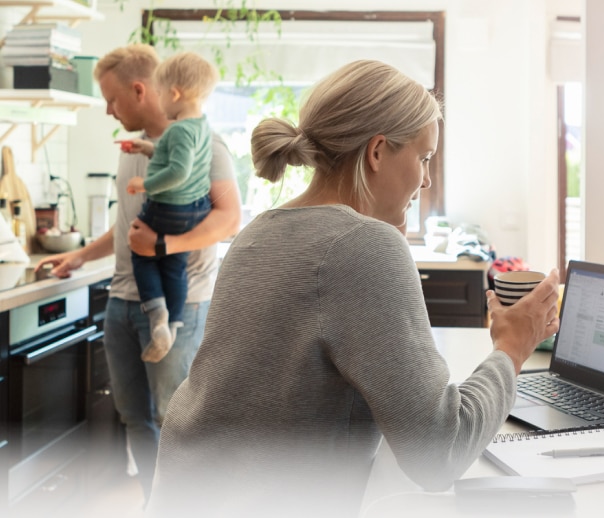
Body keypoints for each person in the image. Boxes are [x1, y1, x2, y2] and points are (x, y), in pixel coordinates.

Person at [147, 59, 560, 518]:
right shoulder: (362, 245)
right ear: (378, 152)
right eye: (423, 158)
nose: (425, 179)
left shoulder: (257, 232)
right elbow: (438, 451)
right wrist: (513, 347)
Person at [35, 43, 241, 504]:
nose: (108, 110)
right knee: (134, 418)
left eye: (111, 99)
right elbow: (129, 223)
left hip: (179, 305)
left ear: (139, 89)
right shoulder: (134, 149)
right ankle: (155, 503)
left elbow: (229, 220)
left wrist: (163, 246)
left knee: (176, 419)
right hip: (123, 300)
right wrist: (81, 256)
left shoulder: (205, 144)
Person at [124, 51, 219, 363]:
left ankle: (157, 316)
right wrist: (149, 148)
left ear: (175, 93)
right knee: (174, 266)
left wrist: (144, 185)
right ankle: (174, 325)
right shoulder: (201, 126)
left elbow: (178, 171)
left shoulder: (177, 129)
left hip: (167, 207)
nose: (160, 99)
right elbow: (180, 160)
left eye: (160, 93)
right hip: (193, 211)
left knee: (142, 255)